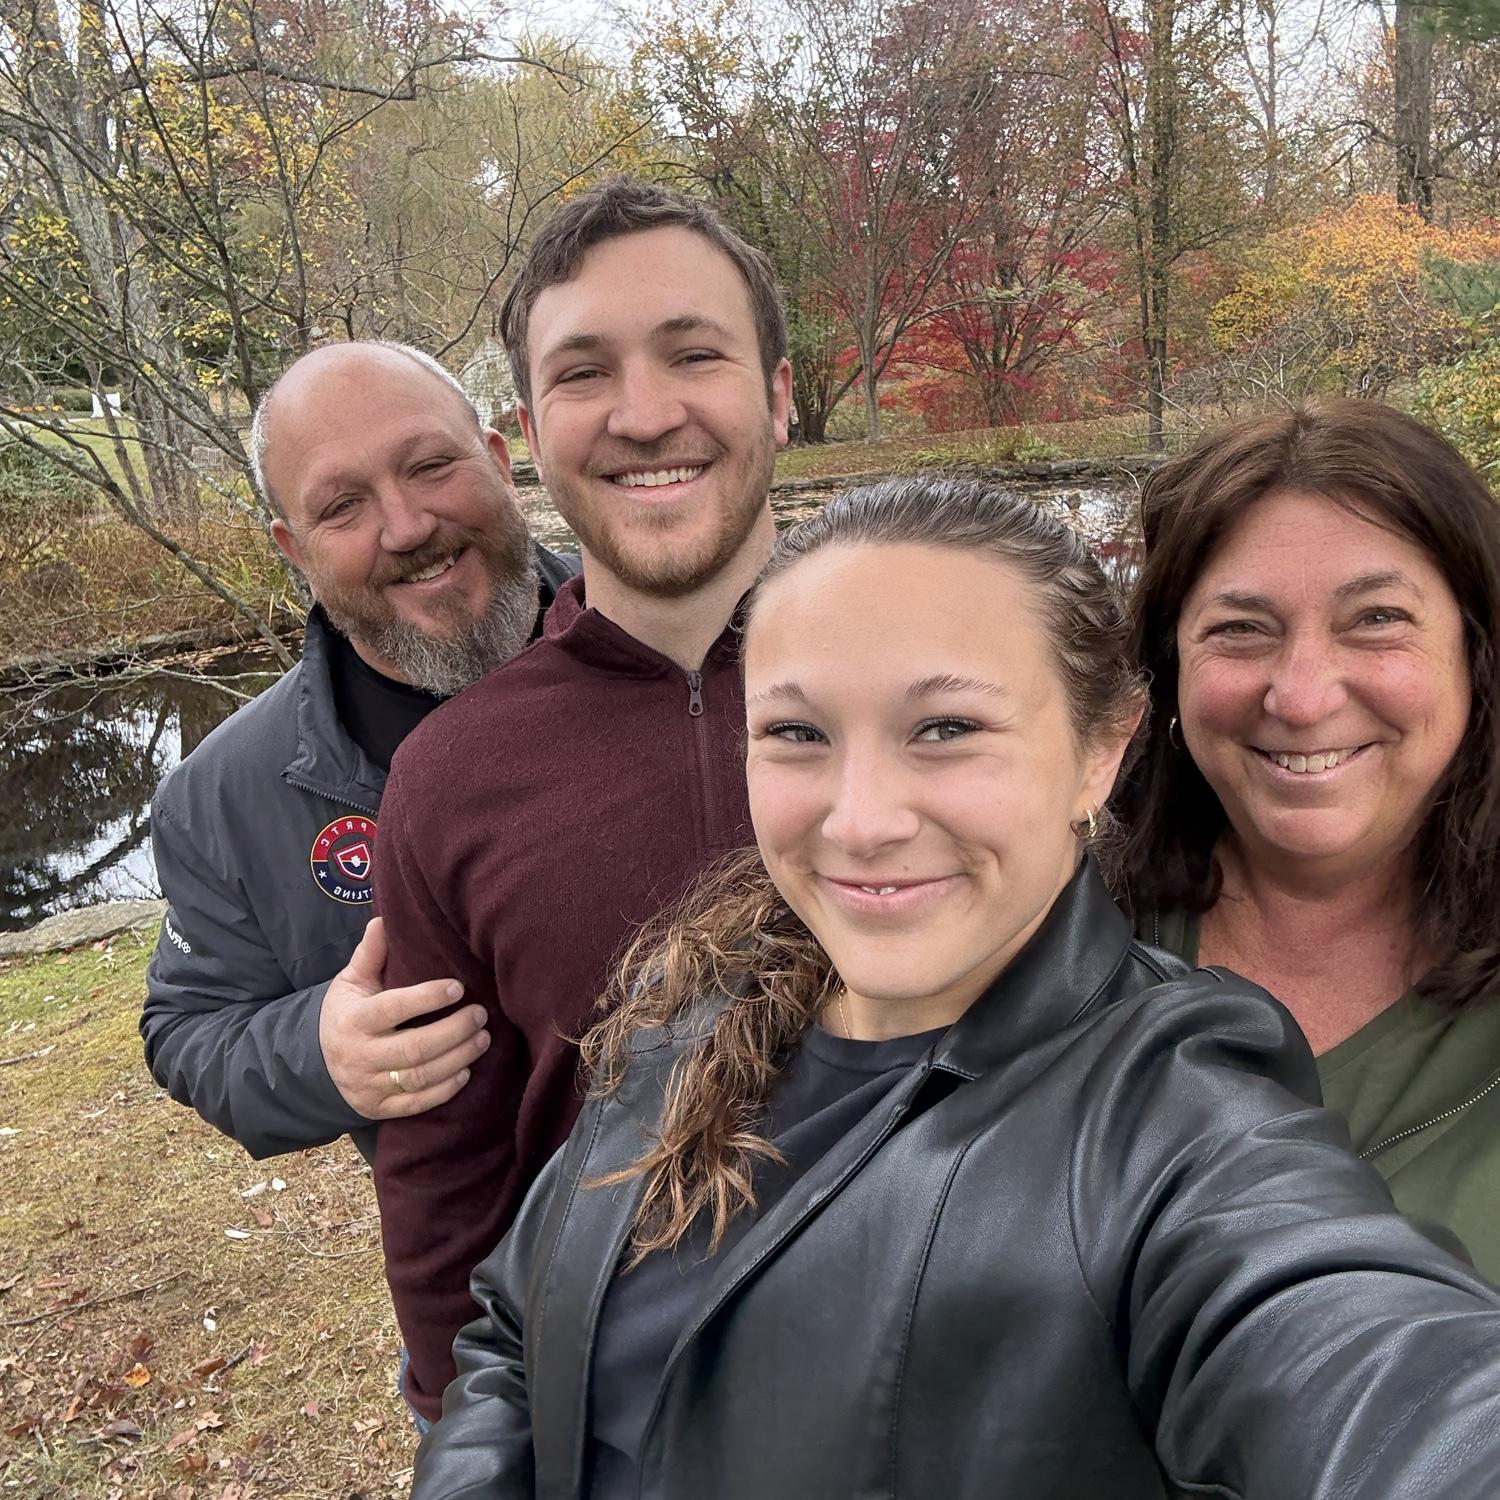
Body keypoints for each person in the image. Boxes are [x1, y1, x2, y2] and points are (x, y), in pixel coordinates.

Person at [410, 475, 1500, 1500]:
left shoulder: (1169, 1116)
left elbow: (1383, 1375)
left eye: (947, 729)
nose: (861, 819)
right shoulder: (697, 999)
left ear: (1100, 751)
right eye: (798, 734)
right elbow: (517, 1319)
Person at [373, 177, 793, 1422]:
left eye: (694, 353)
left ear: (777, 390)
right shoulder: (452, 778)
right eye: (584, 373)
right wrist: (470, 1435)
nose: (644, 413)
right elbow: (446, 1169)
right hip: (624, 1423)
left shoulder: (966, 678)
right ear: (531, 430)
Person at [141, 341, 577, 1164]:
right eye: (342, 506)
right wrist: (319, 1052)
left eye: (430, 465)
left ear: (498, 459)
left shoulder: (678, 643)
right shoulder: (222, 799)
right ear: (294, 549)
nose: (408, 526)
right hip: (491, 1251)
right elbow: (188, 1027)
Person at [1111, 397, 1500, 1276]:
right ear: (1169, 673)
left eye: (1376, 619)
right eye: (1240, 629)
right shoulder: (1057, 947)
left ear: (1476, 653)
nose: (1302, 695)